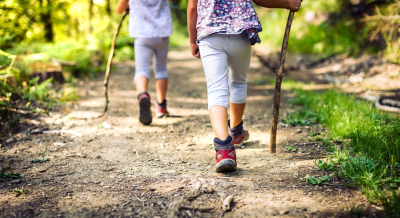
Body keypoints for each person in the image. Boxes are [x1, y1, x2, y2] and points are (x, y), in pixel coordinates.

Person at [187, 0, 302, 172]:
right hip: (239, 32)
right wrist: (287, 3)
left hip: (210, 34)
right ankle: (236, 131)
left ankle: (224, 150)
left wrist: (192, 41)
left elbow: (192, 8)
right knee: (238, 82)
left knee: (216, 89)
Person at [116, 0, 178, 125]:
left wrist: (131, 5)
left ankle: (143, 95)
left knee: (141, 70)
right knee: (161, 69)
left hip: (142, 34)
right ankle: (161, 107)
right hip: (162, 33)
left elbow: (119, 9)